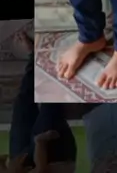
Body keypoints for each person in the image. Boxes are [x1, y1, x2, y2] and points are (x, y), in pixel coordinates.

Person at [7, 30, 77, 173]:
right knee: (49, 105)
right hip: (53, 161)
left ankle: (33, 56)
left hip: (21, 165)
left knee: (22, 103)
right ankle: (56, 57)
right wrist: (39, 143)